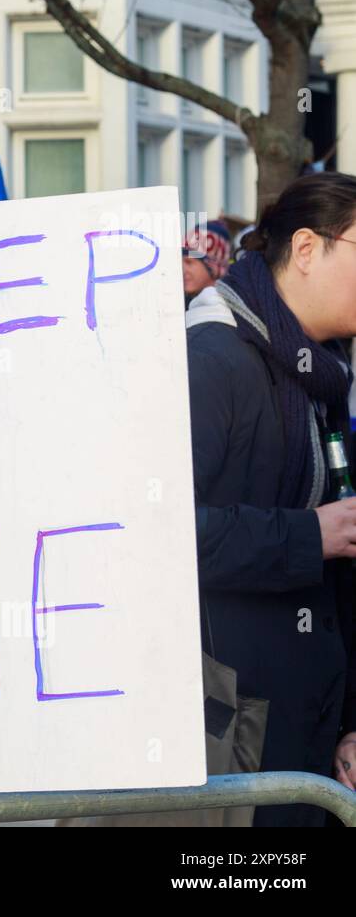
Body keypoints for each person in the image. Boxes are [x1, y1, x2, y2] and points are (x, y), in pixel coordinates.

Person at [185, 172, 356, 826]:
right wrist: (308, 536)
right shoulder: (212, 356)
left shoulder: (325, 370)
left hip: (312, 734)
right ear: (308, 249)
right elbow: (158, 535)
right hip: (234, 744)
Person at [181, 220, 231, 304]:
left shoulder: (231, 310)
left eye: (189, 262)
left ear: (213, 265)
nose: (182, 270)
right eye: (180, 263)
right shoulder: (178, 305)